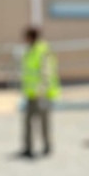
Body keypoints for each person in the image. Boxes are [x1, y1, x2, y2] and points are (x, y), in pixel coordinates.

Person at [18, 26, 59, 158]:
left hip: (42, 94)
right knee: (28, 122)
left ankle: (47, 146)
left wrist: (42, 89)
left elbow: (46, 71)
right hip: (31, 94)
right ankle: (28, 148)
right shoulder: (29, 51)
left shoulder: (42, 50)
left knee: (44, 122)